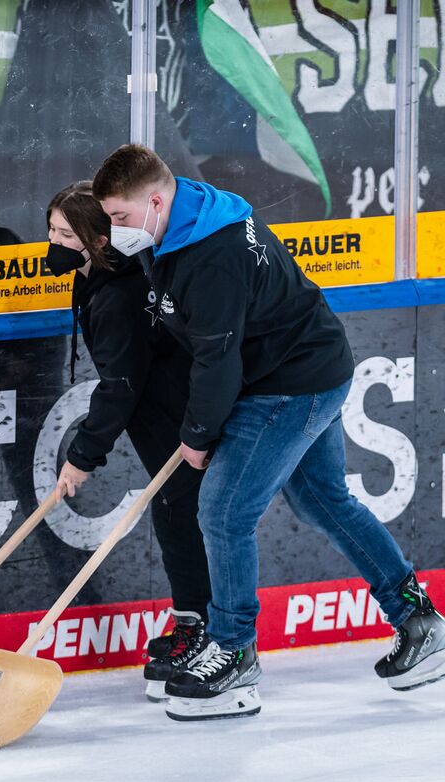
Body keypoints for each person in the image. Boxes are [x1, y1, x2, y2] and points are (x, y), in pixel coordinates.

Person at [91, 144, 445, 721]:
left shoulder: (212, 253)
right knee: (322, 500)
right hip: (306, 367)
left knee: (223, 512)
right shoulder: (183, 217)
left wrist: (197, 435)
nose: (115, 229)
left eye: (120, 216)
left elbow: (218, 360)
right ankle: (419, 620)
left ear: (155, 201)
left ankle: (234, 653)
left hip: (289, 385)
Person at [46, 182, 213, 701]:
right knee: (175, 514)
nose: (53, 242)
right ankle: (194, 622)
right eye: (51, 229)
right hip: (161, 414)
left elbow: (120, 386)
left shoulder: (118, 294)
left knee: (184, 518)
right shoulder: (100, 275)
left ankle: (206, 633)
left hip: (178, 417)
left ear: (98, 240)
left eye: (66, 234)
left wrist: (82, 457)